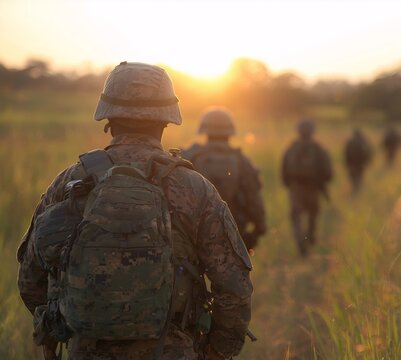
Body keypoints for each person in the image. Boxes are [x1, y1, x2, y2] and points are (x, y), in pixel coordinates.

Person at [17, 62, 253, 360]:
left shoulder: (69, 183)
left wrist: (59, 329)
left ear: (108, 117)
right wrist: (218, 351)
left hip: (86, 349)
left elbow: (30, 280)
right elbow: (234, 287)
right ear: (166, 121)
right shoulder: (195, 188)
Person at [183, 107, 267, 251]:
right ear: (230, 131)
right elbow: (253, 197)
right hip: (233, 228)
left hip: (194, 230)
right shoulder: (241, 160)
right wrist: (260, 227)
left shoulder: (190, 156)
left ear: (204, 130)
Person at [281, 118, 332, 257]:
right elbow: (328, 171)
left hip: (296, 188)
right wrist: (321, 183)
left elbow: (284, 170)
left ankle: (300, 241)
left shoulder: (291, 149)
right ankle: (310, 238)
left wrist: (290, 185)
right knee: (313, 214)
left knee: (296, 216)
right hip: (313, 187)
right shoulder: (318, 149)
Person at [343, 128, 372, 194]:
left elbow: (346, 153)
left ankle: (355, 190)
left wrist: (347, 163)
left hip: (352, 163)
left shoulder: (350, 142)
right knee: (359, 177)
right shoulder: (363, 142)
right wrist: (368, 161)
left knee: (353, 177)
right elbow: (368, 152)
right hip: (360, 163)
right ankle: (358, 190)